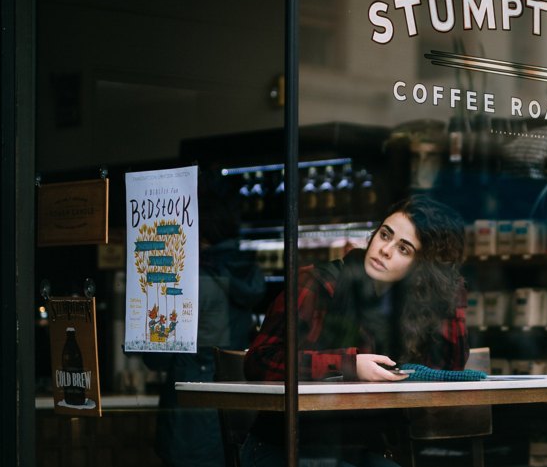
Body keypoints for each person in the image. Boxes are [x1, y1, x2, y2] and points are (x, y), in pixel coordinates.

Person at [240, 194, 469, 467]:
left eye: (404, 249)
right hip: (285, 446)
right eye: (385, 235)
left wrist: (448, 294)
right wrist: (348, 365)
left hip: (360, 451)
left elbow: (447, 371)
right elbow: (259, 361)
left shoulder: (410, 309)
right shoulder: (316, 283)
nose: (385, 249)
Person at [146, 171, 267, 467]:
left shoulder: (193, 279)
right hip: (238, 406)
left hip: (193, 414)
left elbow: (157, 359)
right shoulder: (245, 270)